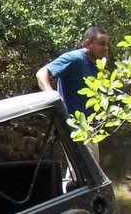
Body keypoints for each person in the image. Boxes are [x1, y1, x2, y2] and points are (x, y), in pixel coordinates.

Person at [36, 26, 109, 163]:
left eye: (106, 44)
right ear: (88, 44)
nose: (105, 48)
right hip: (74, 126)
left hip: (90, 126)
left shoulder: (98, 65)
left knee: (88, 172)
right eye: (101, 44)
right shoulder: (75, 59)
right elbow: (41, 73)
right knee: (87, 170)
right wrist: (53, 97)